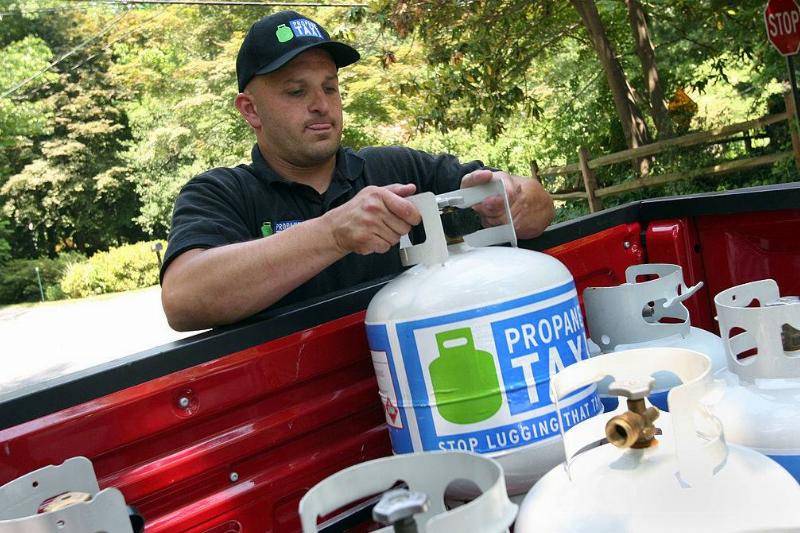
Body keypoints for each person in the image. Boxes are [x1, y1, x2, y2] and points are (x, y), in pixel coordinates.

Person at [160, 10, 555, 331]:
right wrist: (334, 233)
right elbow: (183, 300)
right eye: (297, 91)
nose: (321, 104)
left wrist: (513, 199)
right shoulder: (221, 193)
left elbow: (539, 207)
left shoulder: (398, 169)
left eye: (330, 87)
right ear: (250, 110)